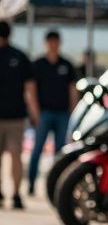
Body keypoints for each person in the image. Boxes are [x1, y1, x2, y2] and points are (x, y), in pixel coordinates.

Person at [27, 30, 77, 198]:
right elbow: (31, 89)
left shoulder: (66, 64)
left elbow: (72, 90)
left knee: (60, 151)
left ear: (59, 42)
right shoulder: (38, 64)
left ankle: (57, 185)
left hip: (62, 113)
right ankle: (31, 183)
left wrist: (73, 110)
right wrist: (35, 112)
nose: (53, 44)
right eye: (51, 41)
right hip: (44, 113)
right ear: (46, 42)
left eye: (56, 41)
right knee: (37, 149)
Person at [0, 22, 34, 208]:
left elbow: (29, 87)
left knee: (15, 156)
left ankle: (15, 193)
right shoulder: (20, 56)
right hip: (14, 116)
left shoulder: (18, 56)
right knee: (15, 156)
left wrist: (33, 111)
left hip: (15, 116)